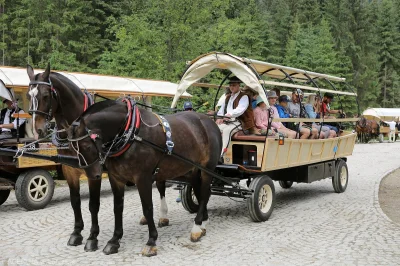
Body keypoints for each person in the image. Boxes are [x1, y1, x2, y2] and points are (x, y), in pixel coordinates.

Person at [216, 76, 259, 158]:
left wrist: (229, 115)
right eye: (231, 85)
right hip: (228, 121)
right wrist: (219, 117)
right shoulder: (228, 97)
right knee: (215, 128)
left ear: (239, 85)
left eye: (234, 85)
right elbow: (222, 109)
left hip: (241, 122)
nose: (232, 87)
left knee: (227, 131)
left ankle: (222, 155)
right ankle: (213, 151)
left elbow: (240, 110)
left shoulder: (244, 96)